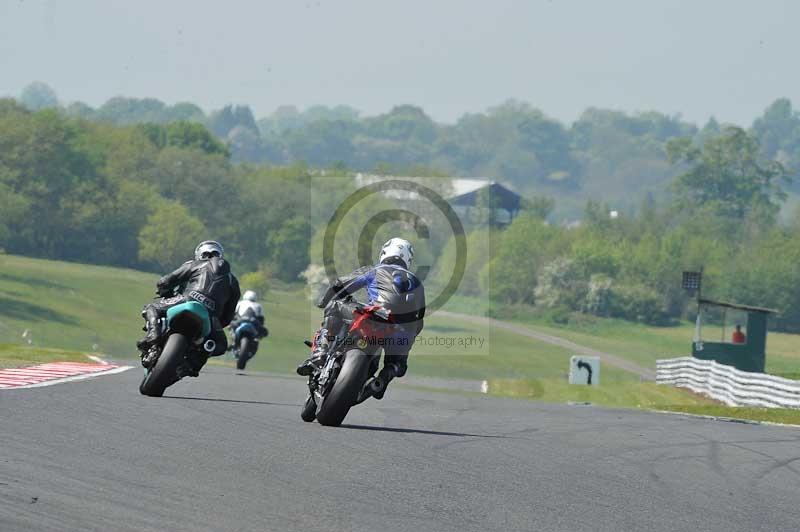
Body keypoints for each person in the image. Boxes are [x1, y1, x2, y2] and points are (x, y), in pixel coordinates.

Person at [296, 237, 426, 398]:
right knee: (398, 363)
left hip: (375, 316)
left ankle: (320, 354)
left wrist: (324, 301)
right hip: (401, 331)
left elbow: (341, 285)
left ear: (384, 252)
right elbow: (419, 321)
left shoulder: (375, 269)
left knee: (334, 306)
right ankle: (382, 380)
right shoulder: (417, 284)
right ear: (408, 259)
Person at [137, 240, 241, 373]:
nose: (210, 257)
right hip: (210, 315)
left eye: (212, 254)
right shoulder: (233, 281)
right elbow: (228, 315)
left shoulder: (193, 264)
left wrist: (164, 291)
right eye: (208, 254)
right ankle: (194, 361)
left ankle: (153, 334)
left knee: (151, 308)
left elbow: (164, 281)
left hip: (186, 300)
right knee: (220, 345)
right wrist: (216, 321)